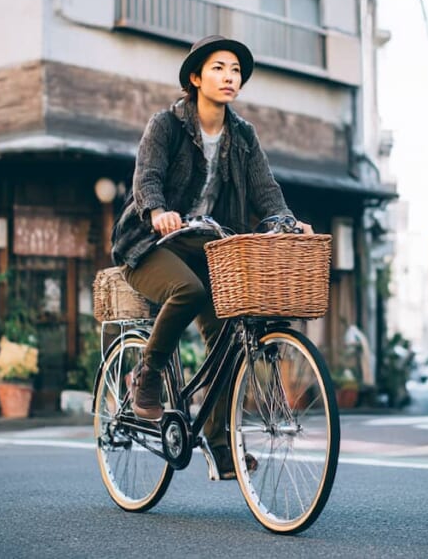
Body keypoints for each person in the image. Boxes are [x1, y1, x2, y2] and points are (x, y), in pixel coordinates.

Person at [110, 35, 312, 479]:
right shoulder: (166, 124)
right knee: (186, 290)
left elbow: (266, 191)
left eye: (236, 70)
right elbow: (148, 177)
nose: (229, 76)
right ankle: (146, 377)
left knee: (230, 342)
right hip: (150, 245)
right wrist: (159, 211)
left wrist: (287, 222)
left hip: (212, 249)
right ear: (197, 77)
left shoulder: (242, 135)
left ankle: (220, 445)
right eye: (219, 68)